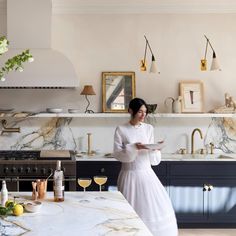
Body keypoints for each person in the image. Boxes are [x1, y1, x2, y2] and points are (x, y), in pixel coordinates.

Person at [113, 98, 178, 236]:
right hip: (129, 174)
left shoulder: (149, 128)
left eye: (145, 112)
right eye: (140, 112)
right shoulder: (121, 129)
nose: (143, 115)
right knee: (129, 210)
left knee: (153, 207)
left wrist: (155, 149)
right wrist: (133, 147)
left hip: (147, 174)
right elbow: (118, 154)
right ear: (131, 110)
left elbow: (152, 159)